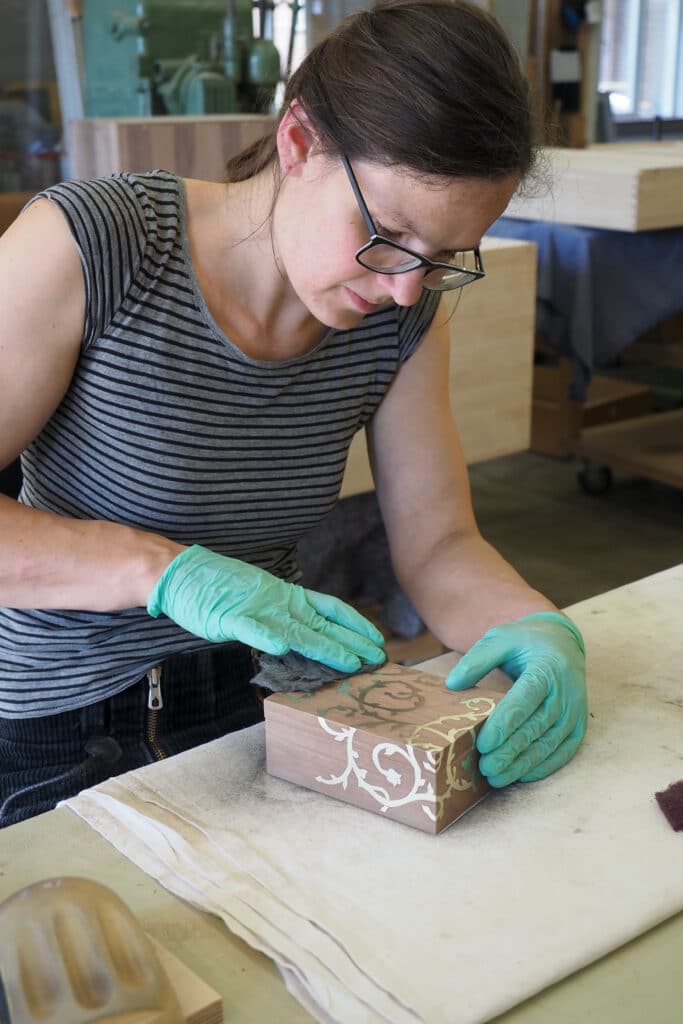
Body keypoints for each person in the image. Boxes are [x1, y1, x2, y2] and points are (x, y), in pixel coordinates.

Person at [0, 0, 587, 827]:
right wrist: (158, 571)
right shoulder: (95, 244)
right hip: (63, 729)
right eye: (385, 233)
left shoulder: (401, 310)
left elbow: (441, 543)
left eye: (444, 258)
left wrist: (532, 626)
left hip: (267, 700)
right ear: (299, 141)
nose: (403, 288)